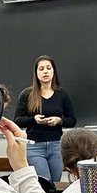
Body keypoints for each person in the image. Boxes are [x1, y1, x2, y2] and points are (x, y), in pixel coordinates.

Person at [13, 54, 76, 182]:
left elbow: (72, 120)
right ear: (36, 73)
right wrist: (33, 119)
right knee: (45, 183)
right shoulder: (27, 94)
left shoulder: (61, 94)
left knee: (56, 183)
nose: (45, 71)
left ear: (53, 71)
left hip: (56, 146)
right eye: (41, 69)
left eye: (48, 68)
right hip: (35, 147)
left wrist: (60, 121)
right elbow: (17, 121)